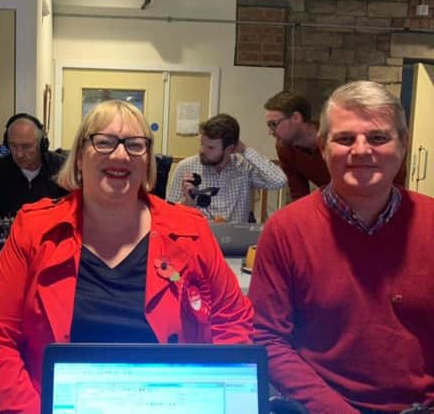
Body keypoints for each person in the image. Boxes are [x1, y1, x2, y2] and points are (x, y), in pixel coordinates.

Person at [0, 100, 254, 413]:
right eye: (103, 142)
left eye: (134, 144)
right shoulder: (35, 229)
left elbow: (233, 323)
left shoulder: (191, 230)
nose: (120, 154)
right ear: (78, 157)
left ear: (147, 162)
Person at [249, 81, 434, 414]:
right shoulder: (285, 231)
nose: (361, 150)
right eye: (345, 139)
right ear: (322, 146)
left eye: (378, 138)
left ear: (404, 144)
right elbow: (269, 339)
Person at [264, 91, 404, 201]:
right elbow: (299, 193)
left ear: (296, 118)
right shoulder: (284, 148)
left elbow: (393, 179)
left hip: (368, 200)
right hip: (334, 204)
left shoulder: (335, 138)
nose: (270, 132)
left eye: (274, 124)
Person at [166, 113, 287, 223]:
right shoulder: (186, 167)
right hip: (199, 240)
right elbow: (168, 214)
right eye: (202, 144)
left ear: (229, 149)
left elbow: (279, 181)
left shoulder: (244, 167)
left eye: (210, 147)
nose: (202, 150)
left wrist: (245, 150)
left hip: (235, 242)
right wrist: (187, 203)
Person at [0, 113, 67, 219]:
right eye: (13, 145)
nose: (19, 154)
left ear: (42, 144)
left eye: (26, 146)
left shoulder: (61, 168)